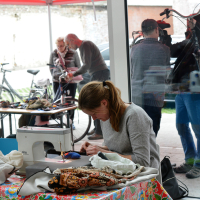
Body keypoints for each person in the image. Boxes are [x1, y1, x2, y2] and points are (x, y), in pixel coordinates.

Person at [79, 80, 160, 169]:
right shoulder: (106, 116)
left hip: (144, 174)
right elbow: (114, 148)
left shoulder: (134, 115)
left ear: (104, 103)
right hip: (122, 170)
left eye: (94, 113)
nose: (94, 118)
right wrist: (94, 148)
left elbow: (142, 161)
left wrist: (102, 153)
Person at [64, 33, 110, 140]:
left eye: (68, 44)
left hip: (100, 73)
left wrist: (73, 74)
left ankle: (99, 131)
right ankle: (97, 128)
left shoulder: (85, 45)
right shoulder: (83, 46)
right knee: (95, 100)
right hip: (98, 73)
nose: (69, 47)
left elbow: (86, 65)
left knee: (95, 101)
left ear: (72, 40)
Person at [130, 19, 170, 137]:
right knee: (152, 132)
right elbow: (166, 72)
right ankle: (150, 155)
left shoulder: (134, 48)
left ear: (142, 32)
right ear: (157, 29)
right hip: (154, 96)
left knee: (138, 132)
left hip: (136, 96)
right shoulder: (164, 49)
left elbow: (132, 71)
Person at [172, 17, 200, 179]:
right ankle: (190, 160)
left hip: (194, 91)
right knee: (181, 127)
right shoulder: (188, 41)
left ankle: (198, 164)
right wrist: (165, 38)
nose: (188, 22)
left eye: (192, 21)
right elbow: (173, 51)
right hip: (181, 91)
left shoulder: (197, 41)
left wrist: (197, 30)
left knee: (198, 129)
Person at [49, 37, 81, 129]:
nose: (60, 48)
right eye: (58, 46)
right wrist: (55, 75)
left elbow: (78, 66)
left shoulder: (73, 53)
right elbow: (51, 68)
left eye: (62, 46)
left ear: (66, 45)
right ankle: (60, 121)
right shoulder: (53, 53)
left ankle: (70, 121)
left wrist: (71, 74)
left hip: (70, 81)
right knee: (58, 101)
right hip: (57, 81)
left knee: (70, 102)